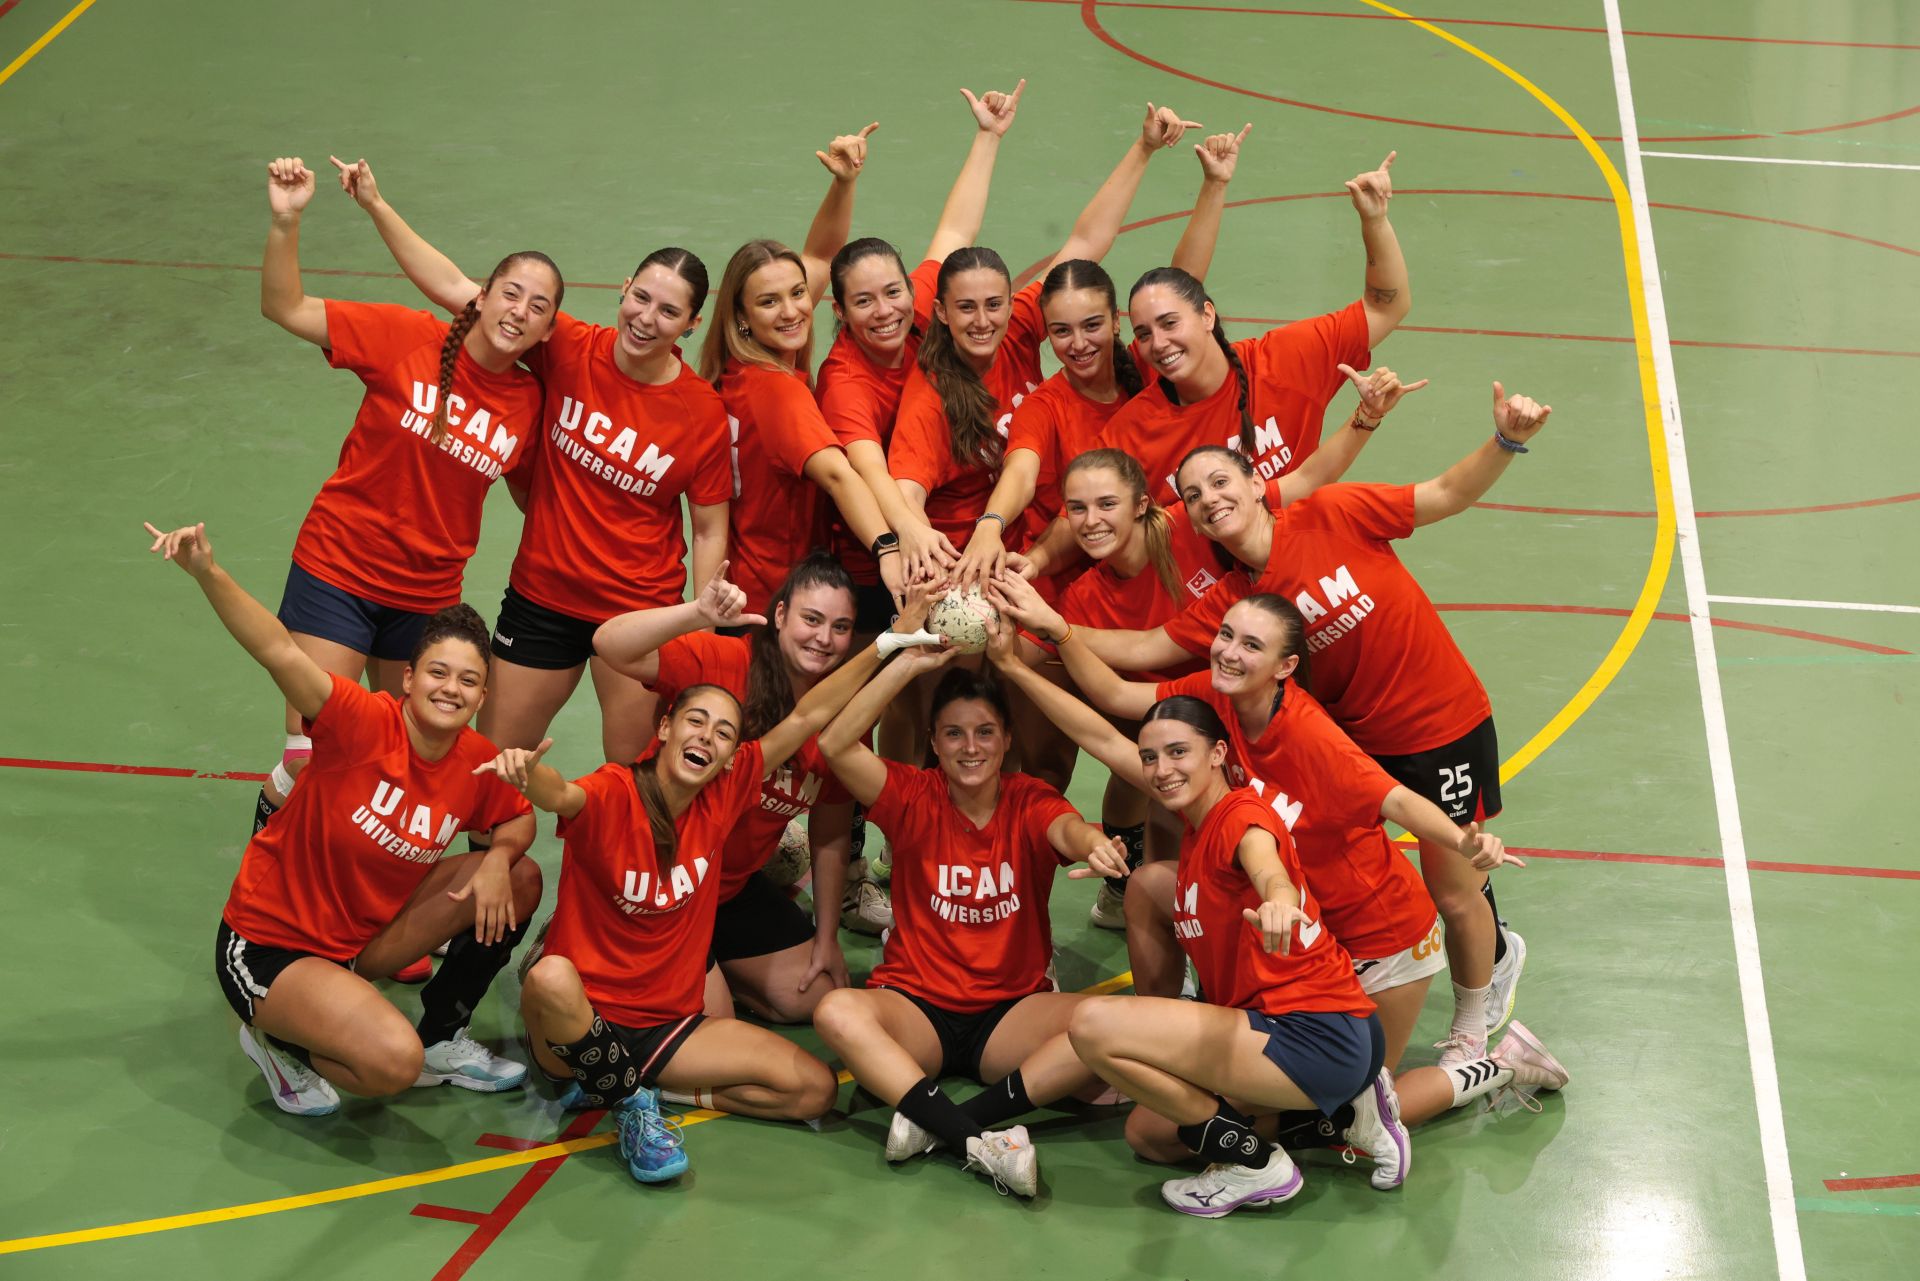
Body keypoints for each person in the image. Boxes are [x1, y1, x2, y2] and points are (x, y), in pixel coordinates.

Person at [991, 580, 1566, 1179]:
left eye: (1251, 645)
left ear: (1285, 666)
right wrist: (1030, 651)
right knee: (1150, 886)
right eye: (1225, 636)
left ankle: (1502, 1064)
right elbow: (1109, 718)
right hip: (1295, 931)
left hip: (1378, 939)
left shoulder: (1311, 736)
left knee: (1344, 1115)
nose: (1229, 653)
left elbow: (1395, 800)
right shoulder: (1214, 699)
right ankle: (1157, 1030)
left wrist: (1466, 838)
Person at [1065, 384, 1555, 1067]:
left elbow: (1443, 493)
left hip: (1440, 722)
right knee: (1342, 868)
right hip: (1356, 738)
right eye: (1194, 495)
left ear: (1258, 482)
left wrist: (1505, 439)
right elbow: (1143, 650)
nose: (1208, 499)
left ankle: (1475, 1015)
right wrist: (1051, 627)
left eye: (1219, 481)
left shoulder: (1333, 510)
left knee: (1452, 886)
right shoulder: (1237, 605)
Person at [481, 579, 942, 1186]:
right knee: (550, 977)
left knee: (814, 1090)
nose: (708, 737)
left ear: (732, 757)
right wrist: (526, 774)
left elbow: (808, 714)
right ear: (666, 725)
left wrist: (888, 646)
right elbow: (560, 795)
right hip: (584, 1018)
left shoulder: (727, 796)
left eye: (724, 733)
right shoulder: (614, 791)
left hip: (667, 1021)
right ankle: (629, 1104)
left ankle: (646, 1091)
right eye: (695, 721)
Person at [327, 156, 728, 766]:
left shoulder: (701, 412)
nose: (646, 319)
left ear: (692, 324)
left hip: (639, 608)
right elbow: (458, 289)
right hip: (543, 597)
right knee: (489, 765)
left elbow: (707, 524)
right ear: (623, 289)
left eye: (669, 312)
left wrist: (698, 628)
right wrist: (377, 205)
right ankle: (489, 862)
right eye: (640, 298)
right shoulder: (565, 346)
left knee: (636, 777)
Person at [146, 521, 543, 1117]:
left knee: (521, 880)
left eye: (468, 680)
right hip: (269, 946)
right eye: (437, 672)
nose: (450, 689)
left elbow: (517, 820)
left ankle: (441, 1037)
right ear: (408, 679)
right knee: (390, 1065)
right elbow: (278, 649)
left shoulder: (477, 761)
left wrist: (498, 858)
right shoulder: (360, 720)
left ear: (483, 698)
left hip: (359, 943)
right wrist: (207, 570)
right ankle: (278, 1041)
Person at [983, 649, 1395, 1217]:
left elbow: (1268, 866)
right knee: (1150, 1134)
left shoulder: (1238, 819)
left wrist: (1278, 901)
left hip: (1311, 1035)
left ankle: (1257, 1164)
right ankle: (1342, 1113)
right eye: (1150, 757)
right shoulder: (1195, 815)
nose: (1161, 768)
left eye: (1178, 752)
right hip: (1284, 1026)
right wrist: (1012, 668)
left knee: (1093, 1025)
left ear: (1218, 754)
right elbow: (1099, 738)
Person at [250, 157, 556, 836]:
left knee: (405, 762)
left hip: (425, 597)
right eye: (510, 292)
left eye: (539, 306)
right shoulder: (405, 337)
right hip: (337, 569)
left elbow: (539, 499)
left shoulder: (532, 402)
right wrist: (286, 219)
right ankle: (268, 876)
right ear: (480, 296)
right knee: (314, 753)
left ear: (547, 331)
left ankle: (372, 902)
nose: (520, 311)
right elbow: (285, 307)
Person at [810, 647, 1132, 1198]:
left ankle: (939, 1124)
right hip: (917, 1007)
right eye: (953, 734)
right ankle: (979, 1141)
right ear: (933, 744)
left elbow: (1069, 832)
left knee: (1120, 1023)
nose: (970, 747)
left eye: (985, 732)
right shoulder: (911, 794)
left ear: (1007, 739)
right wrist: (907, 663)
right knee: (836, 1010)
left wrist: (1095, 845)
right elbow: (835, 743)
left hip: (1010, 1015)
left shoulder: (1032, 800)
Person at [592, 556, 934, 1022]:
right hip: (663, 879)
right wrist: (697, 613)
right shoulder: (726, 662)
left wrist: (827, 935)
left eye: (839, 627)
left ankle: (705, 969)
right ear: (779, 617)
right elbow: (609, 645)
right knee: (709, 1025)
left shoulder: (842, 714)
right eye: (811, 619)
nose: (823, 638)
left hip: (730, 890)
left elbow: (831, 832)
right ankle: (639, 954)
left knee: (817, 994)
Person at [888, 102, 1203, 569]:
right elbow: (906, 491)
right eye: (966, 309)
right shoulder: (934, 397)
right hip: (970, 555)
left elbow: (1085, 244)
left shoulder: (1011, 328)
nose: (982, 321)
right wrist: (916, 546)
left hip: (1043, 532)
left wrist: (1144, 148)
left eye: (994, 304)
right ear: (941, 313)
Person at [952, 124, 1250, 590]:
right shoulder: (1045, 406)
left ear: (1116, 321)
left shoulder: (1153, 366)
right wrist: (990, 523)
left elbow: (1183, 281)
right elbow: (1021, 473)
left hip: (1156, 558)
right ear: (1045, 335)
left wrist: (1215, 185)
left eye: (1092, 326)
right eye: (1061, 332)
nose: (1079, 344)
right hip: (1069, 568)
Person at [817, 80, 1024, 633]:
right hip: (876, 555)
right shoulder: (844, 381)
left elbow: (956, 229)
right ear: (840, 311)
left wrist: (988, 137)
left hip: (937, 535)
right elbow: (870, 471)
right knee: (893, 685)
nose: (886, 310)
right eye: (863, 301)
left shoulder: (923, 309)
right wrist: (907, 530)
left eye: (894, 292)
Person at [1106, 151, 1413, 506]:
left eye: (1170, 323)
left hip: (1297, 549)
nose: (1158, 343)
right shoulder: (1129, 434)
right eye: (1143, 334)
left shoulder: (1286, 359)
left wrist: (1375, 221)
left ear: (1207, 315)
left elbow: (1385, 307)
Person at [697, 126, 903, 616]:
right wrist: (889, 548)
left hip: (748, 583)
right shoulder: (776, 391)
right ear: (742, 315)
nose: (793, 310)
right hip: (780, 600)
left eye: (797, 293)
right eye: (770, 301)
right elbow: (838, 475)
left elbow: (821, 256)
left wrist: (844, 184)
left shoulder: (739, 364)